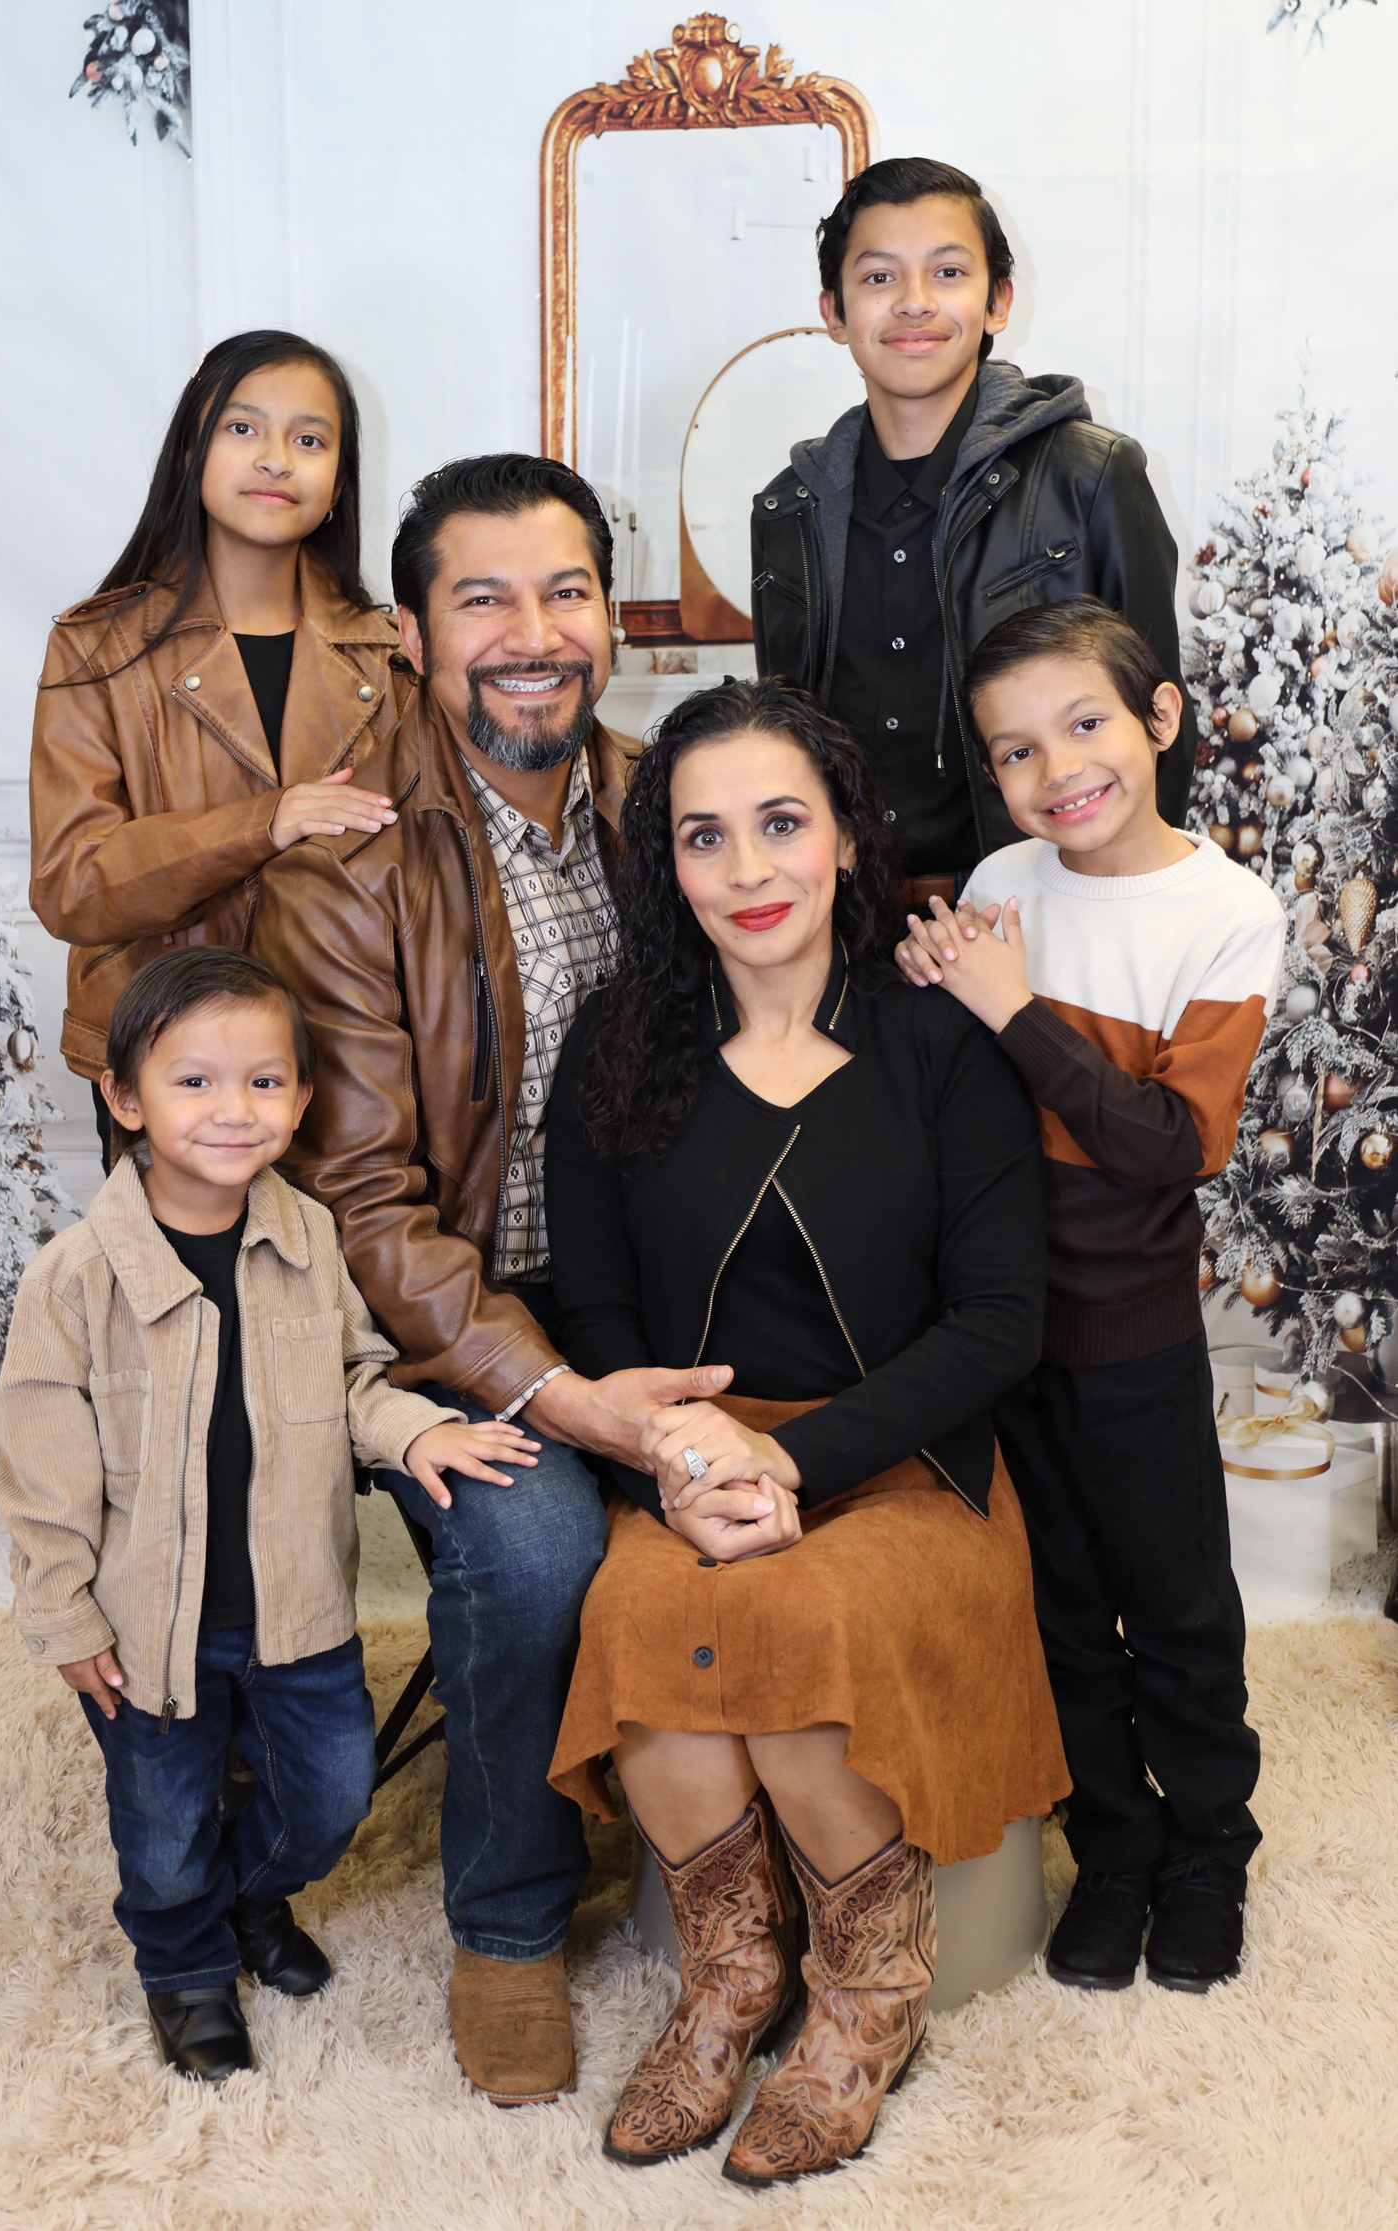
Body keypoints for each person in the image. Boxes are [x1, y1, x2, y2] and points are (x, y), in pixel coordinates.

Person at [250, 453, 732, 2108]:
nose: (534, 633)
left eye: (566, 590)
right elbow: (367, 1205)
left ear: (611, 612)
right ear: (411, 633)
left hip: (646, 1275)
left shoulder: (667, 803)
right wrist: (561, 1394)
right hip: (437, 1316)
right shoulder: (346, 861)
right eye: (484, 599)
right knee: (536, 1551)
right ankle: (512, 1920)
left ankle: (751, 1865)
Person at [543, 675, 1069, 2186]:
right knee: (642, 1607)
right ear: (669, 866)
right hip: (696, 1453)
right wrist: (682, 1456)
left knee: (796, 1618)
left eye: (782, 822)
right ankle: (731, 1980)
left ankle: (864, 1998)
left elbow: (998, 1323)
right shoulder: (618, 1039)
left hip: (908, 1454)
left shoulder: (939, 1037)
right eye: (705, 836)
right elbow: (593, 1306)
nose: (749, 868)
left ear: (846, 832)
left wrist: (793, 1459)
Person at [0, 948, 538, 2085]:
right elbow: (39, 1473)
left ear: (298, 1099)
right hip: (149, 1627)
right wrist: (65, 1616)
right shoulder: (74, 1278)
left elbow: (353, 1379)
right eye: (193, 1081)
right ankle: (185, 1965)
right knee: (163, 1820)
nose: (233, 1108)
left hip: (298, 1609)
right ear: (126, 1098)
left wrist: (414, 1432)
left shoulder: (308, 1238)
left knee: (332, 1795)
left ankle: (250, 1896)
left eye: (263, 1081)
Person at [897, 597, 1285, 1996]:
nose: (1056, 768)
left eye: (1083, 724)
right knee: (1058, 1606)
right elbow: (963, 1088)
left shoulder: (1227, 912)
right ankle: (1116, 1848)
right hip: (1002, 1326)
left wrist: (1012, 1006)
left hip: (1132, 1331)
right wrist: (939, 982)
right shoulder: (1007, 878)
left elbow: (1170, 1143)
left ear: (1160, 717)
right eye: (1014, 749)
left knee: (1175, 1606)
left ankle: (1210, 1851)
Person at [750, 154, 1195, 918]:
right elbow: (783, 739)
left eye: (949, 272)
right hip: (844, 922)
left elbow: (1158, 728)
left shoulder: (1088, 477)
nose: (914, 303)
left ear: (998, 301)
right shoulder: (787, 509)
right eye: (880, 277)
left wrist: (1123, 915)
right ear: (834, 311)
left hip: (1039, 913)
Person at [29, 329, 409, 1172]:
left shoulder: (391, 656)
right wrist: (266, 821)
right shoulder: (96, 648)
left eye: (309, 439)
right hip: (167, 1064)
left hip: (343, 1058)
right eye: (243, 428)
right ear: (190, 449)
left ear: (339, 479)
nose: (276, 459)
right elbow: (72, 884)